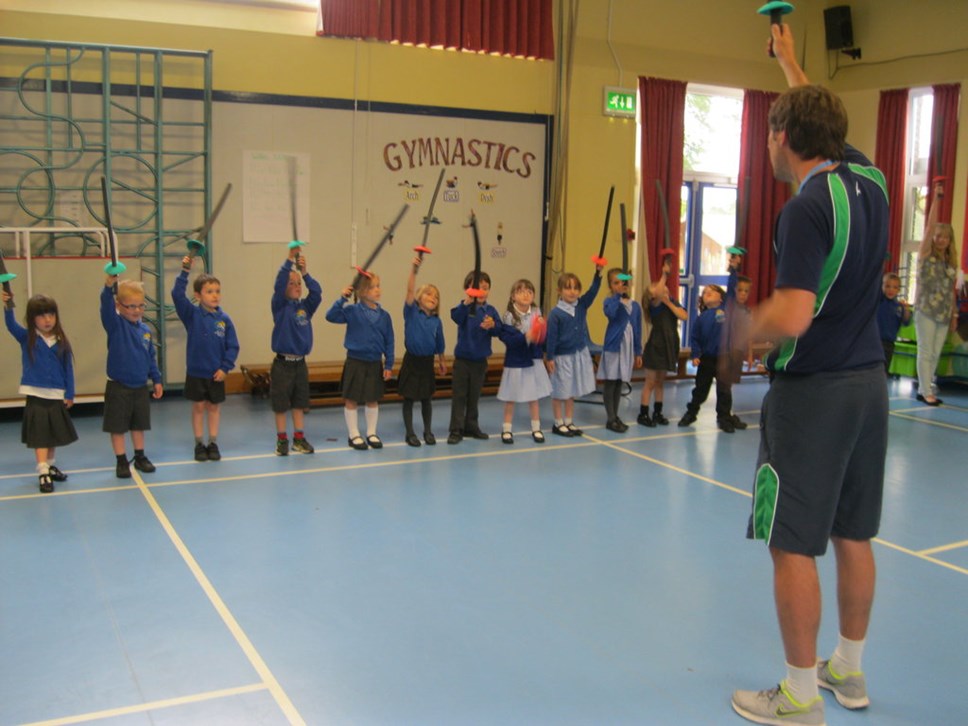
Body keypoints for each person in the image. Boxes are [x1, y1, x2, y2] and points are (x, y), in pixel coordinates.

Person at [731, 24, 889, 726]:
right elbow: (816, 116)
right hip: (869, 386)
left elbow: (793, 314)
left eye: (771, 131)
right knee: (854, 533)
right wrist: (792, 61)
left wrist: (743, 330)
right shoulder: (871, 182)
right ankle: (846, 672)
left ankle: (798, 694)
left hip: (814, 394)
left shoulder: (804, 209)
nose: (767, 142)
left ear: (786, 138)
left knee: (793, 540)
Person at [3, 291, 77, 493]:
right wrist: (8, 305)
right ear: (32, 318)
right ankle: (42, 470)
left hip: (56, 395)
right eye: (42, 315)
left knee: (52, 434)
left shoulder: (61, 340)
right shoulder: (27, 337)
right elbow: (10, 325)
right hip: (36, 395)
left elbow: (67, 368)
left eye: (51, 315)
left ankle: (50, 465)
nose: (47, 320)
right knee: (41, 436)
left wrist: (69, 392)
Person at [172, 256, 240, 461]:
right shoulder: (191, 315)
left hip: (215, 373)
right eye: (209, 292)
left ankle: (213, 442)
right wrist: (185, 271)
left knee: (213, 407)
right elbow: (176, 294)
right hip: (196, 372)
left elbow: (233, 346)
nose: (215, 296)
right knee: (198, 407)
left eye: (217, 291)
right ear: (198, 295)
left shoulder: (224, 320)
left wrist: (225, 368)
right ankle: (199, 443)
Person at [100, 276, 163, 479]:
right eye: (131, 306)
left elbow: (151, 357)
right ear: (119, 306)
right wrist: (108, 288)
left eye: (140, 306)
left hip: (140, 387)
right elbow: (105, 309)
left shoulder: (145, 331)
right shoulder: (116, 325)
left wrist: (157, 379)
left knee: (139, 424)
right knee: (118, 426)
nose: (136, 310)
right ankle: (121, 460)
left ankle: (140, 456)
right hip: (119, 387)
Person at [326, 271, 394, 450]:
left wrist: (388, 364)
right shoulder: (352, 311)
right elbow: (331, 316)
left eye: (378, 286)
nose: (377, 290)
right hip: (355, 361)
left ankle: (371, 432)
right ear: (361, 292)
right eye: (372, 287)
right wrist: (342, 299)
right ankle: (353, 433)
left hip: (374, 362)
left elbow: (390, 341)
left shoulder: (385, 316)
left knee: (372, 398)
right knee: (352, 398)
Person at [270, 250, 322, 455]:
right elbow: (279, 282)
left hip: (300, 364)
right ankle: (282, 440)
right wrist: (289, 260)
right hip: (282, 365)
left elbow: (317, 293)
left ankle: (298, 438)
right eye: (291, 283)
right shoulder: (279, 305)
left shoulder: (305, 308)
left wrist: (305, 273)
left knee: (299, 403)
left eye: (298, 283)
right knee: (281, 404)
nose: (296, 287)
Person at [913, 180, 958, 405]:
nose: (940, 239)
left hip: (943, 312)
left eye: (945, 237)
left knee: (936, 353)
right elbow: (929, 227)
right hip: (925, 309)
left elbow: (951, 291)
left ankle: (927, 385)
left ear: (949, 241)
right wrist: (937, 200)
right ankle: (923, 390)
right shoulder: (926, 255)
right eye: (938, 236)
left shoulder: (951, 263)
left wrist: (954, 314)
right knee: (925, 350)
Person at [544, 265, 603, 436]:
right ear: (559, 290)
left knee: (571, 391)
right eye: (568, 288)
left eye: (576, 288)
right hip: (562, 357)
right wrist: (550, 357)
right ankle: (558, 422)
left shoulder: (581, 305)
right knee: (559, 390)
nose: (572, 292)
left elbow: (593, 292)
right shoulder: (556, 314)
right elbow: (552, 338)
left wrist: (598, 274)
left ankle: (569, 421)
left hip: (578, 354)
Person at [447, 270, 501, 445]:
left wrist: (493, 325)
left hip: (480, 361)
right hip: (462, 361)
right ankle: (456, 429)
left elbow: (499, 329)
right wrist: (467, 302)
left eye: (486, 288)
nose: (482, 292)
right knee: (459, 395)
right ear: (467, 289)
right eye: (478, 288)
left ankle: (471, 425)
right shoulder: (464, 308)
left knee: (474, 396)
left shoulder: (491, 310)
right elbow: (455, 316)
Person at [497, 278, 552, 444]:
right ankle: (507, 429)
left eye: (529, 291)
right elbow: (509, 339)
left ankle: (536, 428)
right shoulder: (508, 316)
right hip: (515, 361)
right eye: (521, 291)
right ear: (513, 296)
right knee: (511, 398)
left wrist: (541, 331)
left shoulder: (537, 312)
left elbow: (542, 338)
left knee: (533, 397)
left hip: (533, 360)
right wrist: (526, 336)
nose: (526, 294)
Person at [398, 256, 446, 447]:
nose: (432, 298)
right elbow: (409, 289)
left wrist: (441, 360)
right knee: (409, 399)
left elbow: (440, 342)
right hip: (412, 361)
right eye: (428, 294)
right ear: (419, 297)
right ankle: (410, 433)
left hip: (427, 362)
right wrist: (414, 270)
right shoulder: (411, 312)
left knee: (427, 399)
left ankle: (428, 431)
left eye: (435, 297)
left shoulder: (436, 321)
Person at [637, 250, 686, 427]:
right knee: (650, 382)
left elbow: (684, 316)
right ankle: (643, 414)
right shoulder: (655, 306)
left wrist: (669, 303)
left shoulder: (670, 303)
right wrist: (664, 274)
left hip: (669, 345)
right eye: (657, 287)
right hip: (656, 345)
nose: (662, 288)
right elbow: (657, 294)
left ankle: (657, 412)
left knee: (660, 382)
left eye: (663, 286)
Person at [677, 284, 734, 432]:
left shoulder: (725, 311)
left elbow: (732, 290)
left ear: (721, 297)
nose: (706, 293)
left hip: (724, 358)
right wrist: (696, 354)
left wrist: (733, 271)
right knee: (700, 390)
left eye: (711, 292)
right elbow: (695, 338)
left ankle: (724, 417)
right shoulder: (701, 317)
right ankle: (691, 413)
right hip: (706, 359)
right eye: (704, 292)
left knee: (724, 391)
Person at [597, 267, 642, 432]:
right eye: (615, 283)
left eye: (622, 282)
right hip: (613, 347)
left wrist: (638, 351)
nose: (619, 285)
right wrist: (617, 296)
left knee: (619, 382)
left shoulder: (635, 306)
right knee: (610, 381)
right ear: (610, 285)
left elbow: (637, 329)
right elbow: (611, 314)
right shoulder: (609, 302)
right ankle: (610, 418)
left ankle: (615, 416)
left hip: (627, 350)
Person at [718, 250, 754, 429]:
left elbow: (748, 334)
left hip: (738, 351)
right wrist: (734, 269)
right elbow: (731, 284)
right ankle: (722, 416)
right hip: (726, 351)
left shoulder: (746, 312)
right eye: (740, 290)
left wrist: (749, 354)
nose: (742, 294)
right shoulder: (729, 306)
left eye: (746, 291)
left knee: (729, 385)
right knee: (723, 385)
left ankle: (727, 414)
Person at [876, 272, 912, 375]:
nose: (890, 290)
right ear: (882, 286)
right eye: (887, 286)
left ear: (899, 290)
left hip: (889, 343)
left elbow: (906, 322)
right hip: (875, 341)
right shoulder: (879, 301)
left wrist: (906, 310)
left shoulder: (898, 306)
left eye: (894, 287)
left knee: (884, 370)